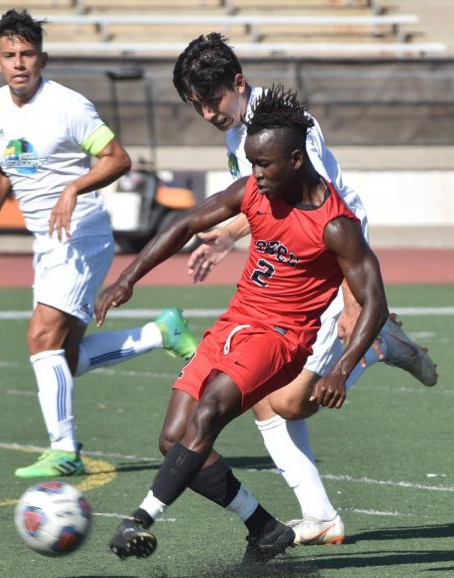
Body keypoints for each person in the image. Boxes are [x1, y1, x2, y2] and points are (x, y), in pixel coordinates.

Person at [95, 86, 389, 564]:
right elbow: (188, 222)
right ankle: (264, 527)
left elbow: (375, 301)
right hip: (235, 323)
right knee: (173, 440)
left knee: (209, 413)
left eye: (264, 165)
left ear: (296, 159)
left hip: (280, 340)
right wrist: (127, 279)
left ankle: (141, 517)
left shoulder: (336, 225)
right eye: (251, 164)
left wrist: (341, 368)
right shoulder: (256, 190)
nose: (255, 175)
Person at [171, 33, 438, 545]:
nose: (207, 113)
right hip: (303, 265)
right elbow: (265, 202)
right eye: (197, 106)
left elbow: (322, 206)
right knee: (269, 400)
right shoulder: (239, 137)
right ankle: (320, 516)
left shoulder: (289, 129)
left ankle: (374, 345)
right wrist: (226, 235)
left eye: (212, 101)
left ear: (238, 83)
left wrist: (355, 300)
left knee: (291, 402)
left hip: (329, 259)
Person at [0, 9, 198, 479]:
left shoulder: (68, 106)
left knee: (40, 337)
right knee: (63, 356)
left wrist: (73, 188)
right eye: (10, 55)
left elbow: (119, 159)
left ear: (43, 58)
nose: (19, 63)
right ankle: (161, 334)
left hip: (81, 234)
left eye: (28, 54)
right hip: (47, 239)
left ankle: (64, 449)